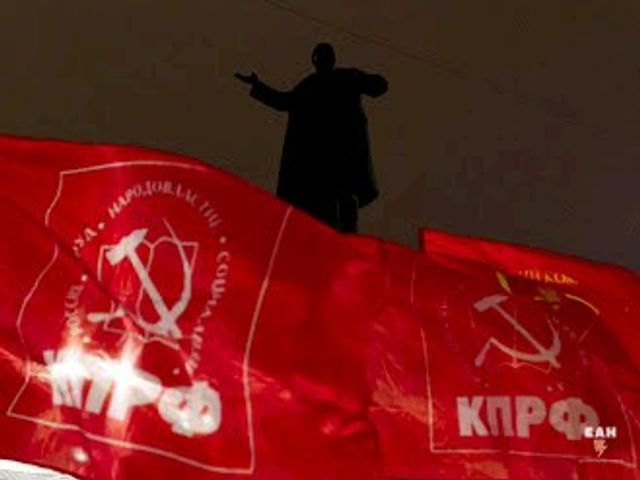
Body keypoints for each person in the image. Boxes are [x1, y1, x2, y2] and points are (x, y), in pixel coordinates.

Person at [235, 42, 387, 233]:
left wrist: (373, 82)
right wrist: (257, 85)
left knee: (346, 200)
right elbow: (284, 101)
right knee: (327, 205)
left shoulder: (346, 77)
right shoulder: (309, 86)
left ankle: (346, 239)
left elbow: (377, 85)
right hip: (317, 159)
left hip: (343, 153)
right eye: (319, 57)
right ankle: (332, 236)